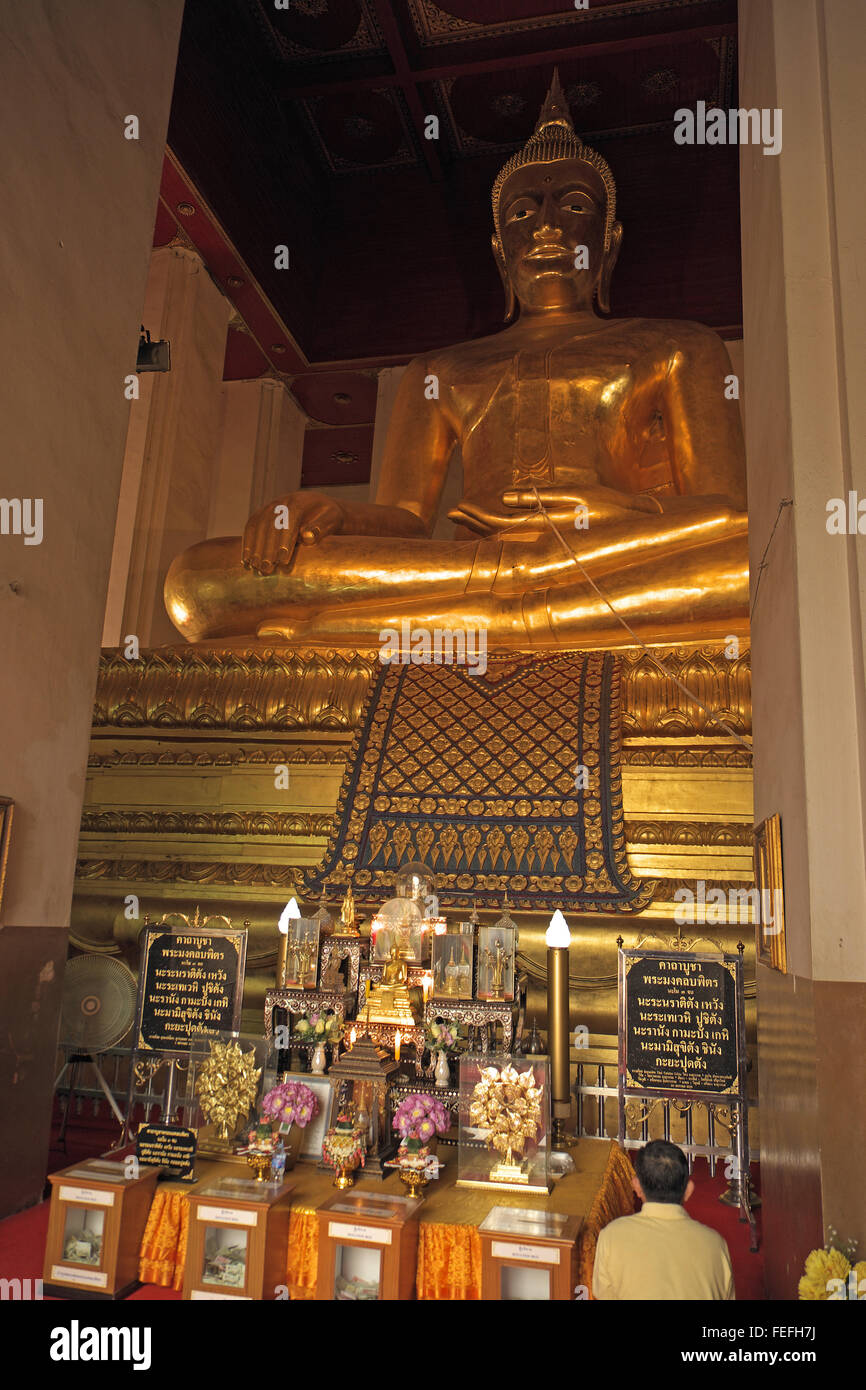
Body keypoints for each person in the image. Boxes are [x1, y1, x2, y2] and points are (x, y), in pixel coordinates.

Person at [592, 1140, 735, 1300]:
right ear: (688, 1190)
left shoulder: (611, 1236)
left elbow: (604, 1295)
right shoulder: (715, 1244)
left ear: (637, 1187)